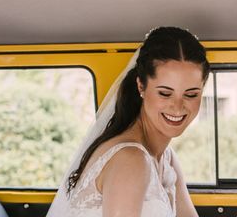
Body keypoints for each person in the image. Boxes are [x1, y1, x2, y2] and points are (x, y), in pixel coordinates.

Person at [47, 26, 210, 217]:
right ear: (141, 86)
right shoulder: (130, 159)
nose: (177, 106)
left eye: (191, 94)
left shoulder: (167, 158)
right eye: (165, 93)